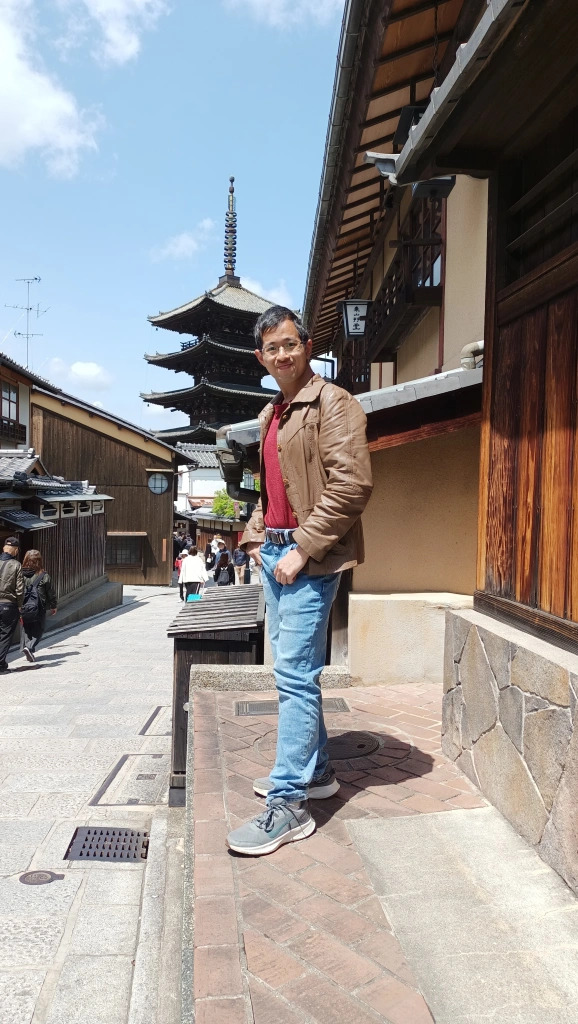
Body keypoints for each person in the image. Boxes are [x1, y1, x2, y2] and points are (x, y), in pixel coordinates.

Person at [226, 306, 372, 856]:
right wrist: (256, 538)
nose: (283, 354)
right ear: (260, 358)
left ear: (307, 346)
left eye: (291, 343)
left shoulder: (334, 403)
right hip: (276, 552)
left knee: (293, 675)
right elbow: (271, 489)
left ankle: (289, 805)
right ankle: (318, 772)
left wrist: (303, 548)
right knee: (293, 672)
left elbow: (351, 485)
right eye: (272, 348)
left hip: (312, 556)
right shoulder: (272, 413)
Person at [20, 549, 57, 663]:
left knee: (26, 627)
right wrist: (53, 605)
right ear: (39, 561)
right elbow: (50, 592)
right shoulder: (44, 575)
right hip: (39, 606)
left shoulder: (20, 574)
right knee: (39, 628)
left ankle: (26, 647)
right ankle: (29, 647)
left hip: (23, 606)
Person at [0, 536, 24, 674]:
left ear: (4, 548)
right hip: (8, 605)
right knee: (5, 635)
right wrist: (20, 605)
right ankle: (0, 665)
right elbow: (19, 588)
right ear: (15, 550)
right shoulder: (16, 565)